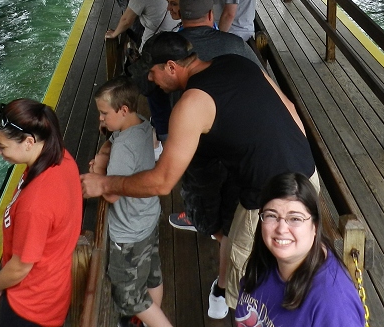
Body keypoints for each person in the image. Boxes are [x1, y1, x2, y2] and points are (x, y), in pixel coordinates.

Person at [80, 33, 315, 320]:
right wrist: (296, 164)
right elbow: (289, 108)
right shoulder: (236, 62)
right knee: (298, 268)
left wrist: (104, 183)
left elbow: (162, 181)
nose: (151, 81)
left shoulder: (190, 104)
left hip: (269, 200)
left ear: (170, 67)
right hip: (307, 179)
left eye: (152, 73)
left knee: (247, 281)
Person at [165, 0, 259, 238]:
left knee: (200, 190)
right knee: (232, 204)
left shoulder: (170, 50)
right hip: (234, 136)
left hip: (192, 140)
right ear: (210, 15)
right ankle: (224, 236)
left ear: (181, 16)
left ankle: (200, 219)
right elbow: (260, 81)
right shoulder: (234, 44)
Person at [0, 100, 82, 327]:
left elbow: (20, 267)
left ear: (29, 141)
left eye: (2, 145)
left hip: (31, 306)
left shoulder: (36, 203)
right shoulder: (61, 158)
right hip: (52, 287)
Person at [89, 78, 173, 327]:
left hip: (128, 233)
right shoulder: (142, 125)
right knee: (152, 276)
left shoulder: (124, 147)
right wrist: (105, 153)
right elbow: (112, 140)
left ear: (123, 110)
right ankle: (149, 320)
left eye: (104, 114)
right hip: (147, 217)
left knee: (129, 298)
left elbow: (112, 193)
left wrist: (99, 173)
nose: (101, 120)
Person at [234, 173, 365, 327]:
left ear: (315, 226)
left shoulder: (333, 304)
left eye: (295, 219)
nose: (281, 229)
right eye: (271, 216)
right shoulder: (266, 260)